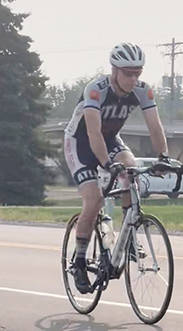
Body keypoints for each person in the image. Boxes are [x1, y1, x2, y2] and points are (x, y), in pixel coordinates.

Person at [64, 43, 170, 294]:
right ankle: (79, 261)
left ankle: (128, 235)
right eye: (128, 73)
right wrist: (107, 163)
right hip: (81, 143)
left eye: (138, 73)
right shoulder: (95, 90)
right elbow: (92, 132)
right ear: (114, 70)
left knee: (130, 169)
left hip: (110, 139)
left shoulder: (144, 91)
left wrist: (163, 155)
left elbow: (155, 126)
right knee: (94, 200)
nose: (134, 79)